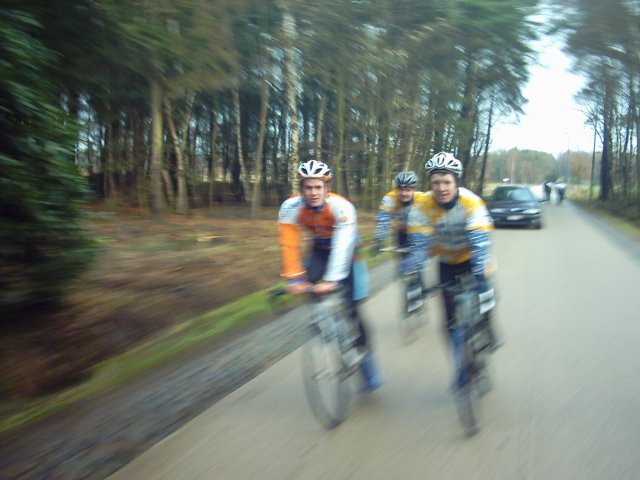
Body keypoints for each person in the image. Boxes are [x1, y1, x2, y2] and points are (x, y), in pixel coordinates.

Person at [278, 159, 383, 390]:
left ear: (327, 187)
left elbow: (343, 246)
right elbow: (289, 245)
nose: (313, 192)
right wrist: (294, 278)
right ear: (301, 189)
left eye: (318, 187)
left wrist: (332, 280)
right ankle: (326, 323)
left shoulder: (342, 207)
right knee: (309, 285)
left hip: (348, 253)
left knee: (354, 309)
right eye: (308, 187)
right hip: (319, 250)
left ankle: (366, 360)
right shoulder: (290, 208)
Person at [405, 151, 501, 352]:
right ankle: (461, 364)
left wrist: (479, 271)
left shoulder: (470, 202)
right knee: (449, 320)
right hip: (447, 261)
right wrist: (414, 276)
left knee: (485, 292)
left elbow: (480, 240)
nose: (441, 188)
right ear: (430, 185)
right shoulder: (421, 206)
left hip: (473, 255)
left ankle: (489, 325)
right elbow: (419, 246)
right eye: (436, 183)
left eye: (446, 182)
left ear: (456, 182)